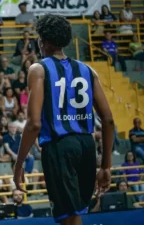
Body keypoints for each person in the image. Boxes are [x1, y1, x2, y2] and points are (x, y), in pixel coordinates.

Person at [13, 14, 114, 225]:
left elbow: (34, 124)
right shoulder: (88, 70)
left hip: (60, 147)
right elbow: (108, 120)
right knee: (74, 215)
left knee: (68, 218)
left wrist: (19, 163)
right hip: (87, 146)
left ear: (45, 41)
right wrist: (106, 166)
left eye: (40, 38)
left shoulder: (38, 69)